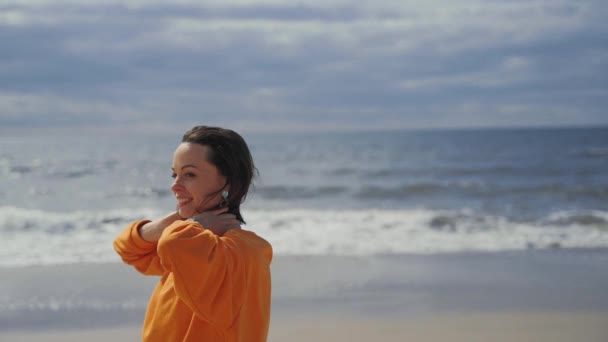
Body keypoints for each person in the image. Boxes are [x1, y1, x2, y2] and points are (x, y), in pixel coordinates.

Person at [113, 126, 272, 342]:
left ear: (229, 183)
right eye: (174, 174)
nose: (174, 186)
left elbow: (172, 243)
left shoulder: (238, 252)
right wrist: (171, 222)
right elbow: (127, 249)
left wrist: (193, 223)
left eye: (189, 174)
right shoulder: (193, 243)